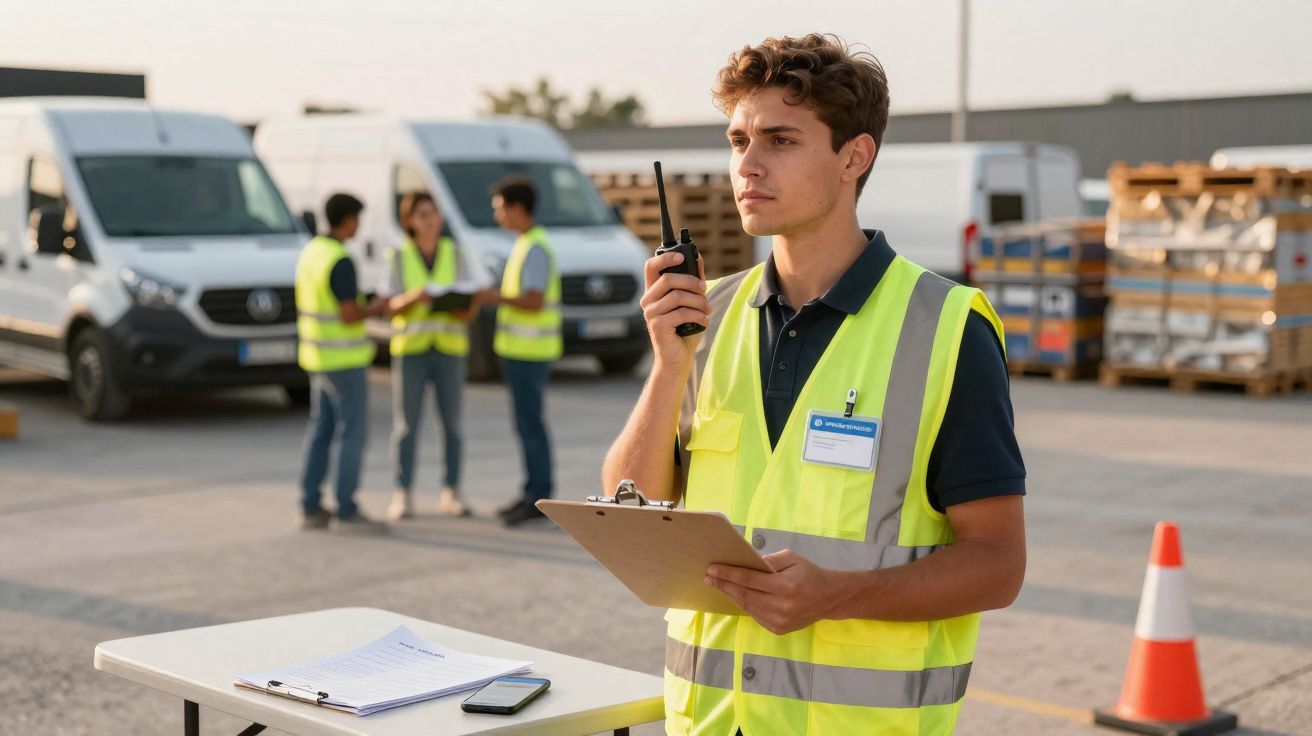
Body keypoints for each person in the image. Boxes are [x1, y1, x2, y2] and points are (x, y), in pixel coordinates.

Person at [601, 34, 1027, 735]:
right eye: (738, 141)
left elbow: (998, 564)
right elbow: (635, 505)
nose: (748, 166)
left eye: (780, 141)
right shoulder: (702, 316)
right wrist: (666, 365)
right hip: (708, 723)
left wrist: (839, 594)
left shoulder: (946, 329)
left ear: (853, 158)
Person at [295, 193, 389, 534]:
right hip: (344, 359)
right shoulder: (340, 259)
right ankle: (346, 509)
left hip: (317, 357)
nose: (359, 226)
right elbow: (349, 314)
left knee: (320, 431)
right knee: (352, 433)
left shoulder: (311, 252)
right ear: (347, 219)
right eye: (357, 219)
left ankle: (310, 505)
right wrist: (376, 308)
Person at [382, 192, 476, 520]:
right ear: (409, 221)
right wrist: (415, 297)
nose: (430, 220)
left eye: (433, 214)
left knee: (452, 425)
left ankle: (452, 491)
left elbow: (467, 298)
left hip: (448, 348)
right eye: (422, 215)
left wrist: (461, 306)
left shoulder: (455, 253)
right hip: (412, 350)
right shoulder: (397, 255)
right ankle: (402, 493)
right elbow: (389, 303)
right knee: (407, 426)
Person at [485, 177, 561, 527]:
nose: (497, 216)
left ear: (517, 208)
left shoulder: (534, 247)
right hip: (521, 351)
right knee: (527, 425)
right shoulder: (525, 243)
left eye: (500, 209)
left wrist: (493, 297)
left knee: (530, 426)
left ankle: (537, 496)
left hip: (530, 352)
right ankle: (532, 491)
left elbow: (533, 301)